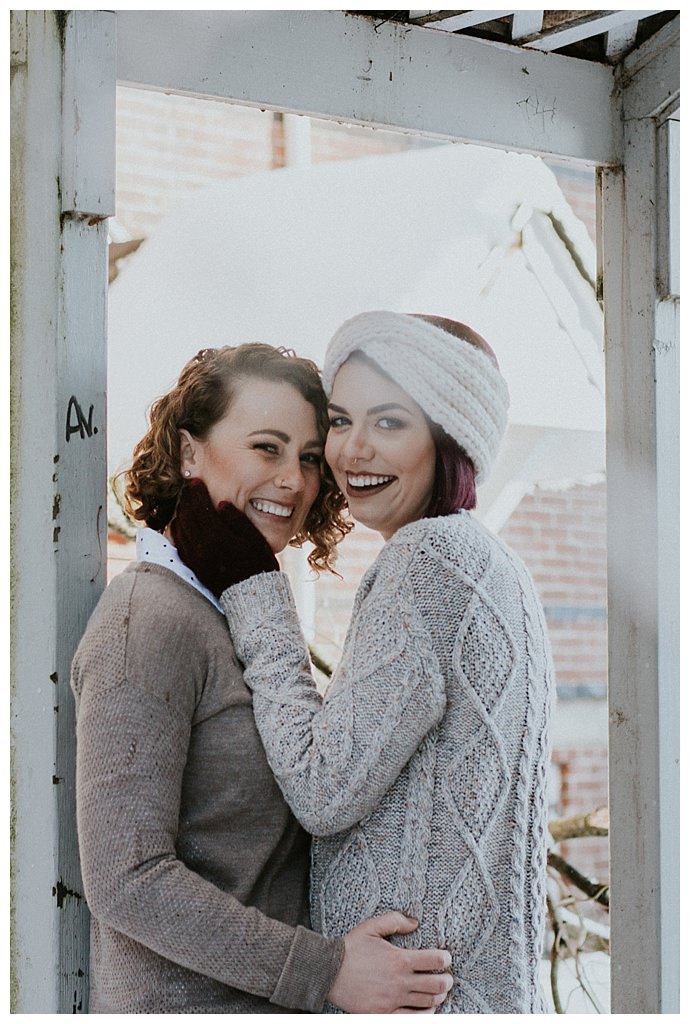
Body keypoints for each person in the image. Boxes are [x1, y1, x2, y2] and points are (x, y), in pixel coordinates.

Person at [173, 312, 555, 1014]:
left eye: (388, 422)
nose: (351, 451)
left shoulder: (427, 563)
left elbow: (323, 789)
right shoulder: (494, 566)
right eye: (341, 423)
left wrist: (254, 587)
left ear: (450, 435)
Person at [70, 342, 455, 1014]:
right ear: (190, 453)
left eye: (308, 458)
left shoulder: (235, 613)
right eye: (266, 448)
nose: (293, 480)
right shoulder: (148, 619)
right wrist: (324, 970)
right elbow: (126, 877)